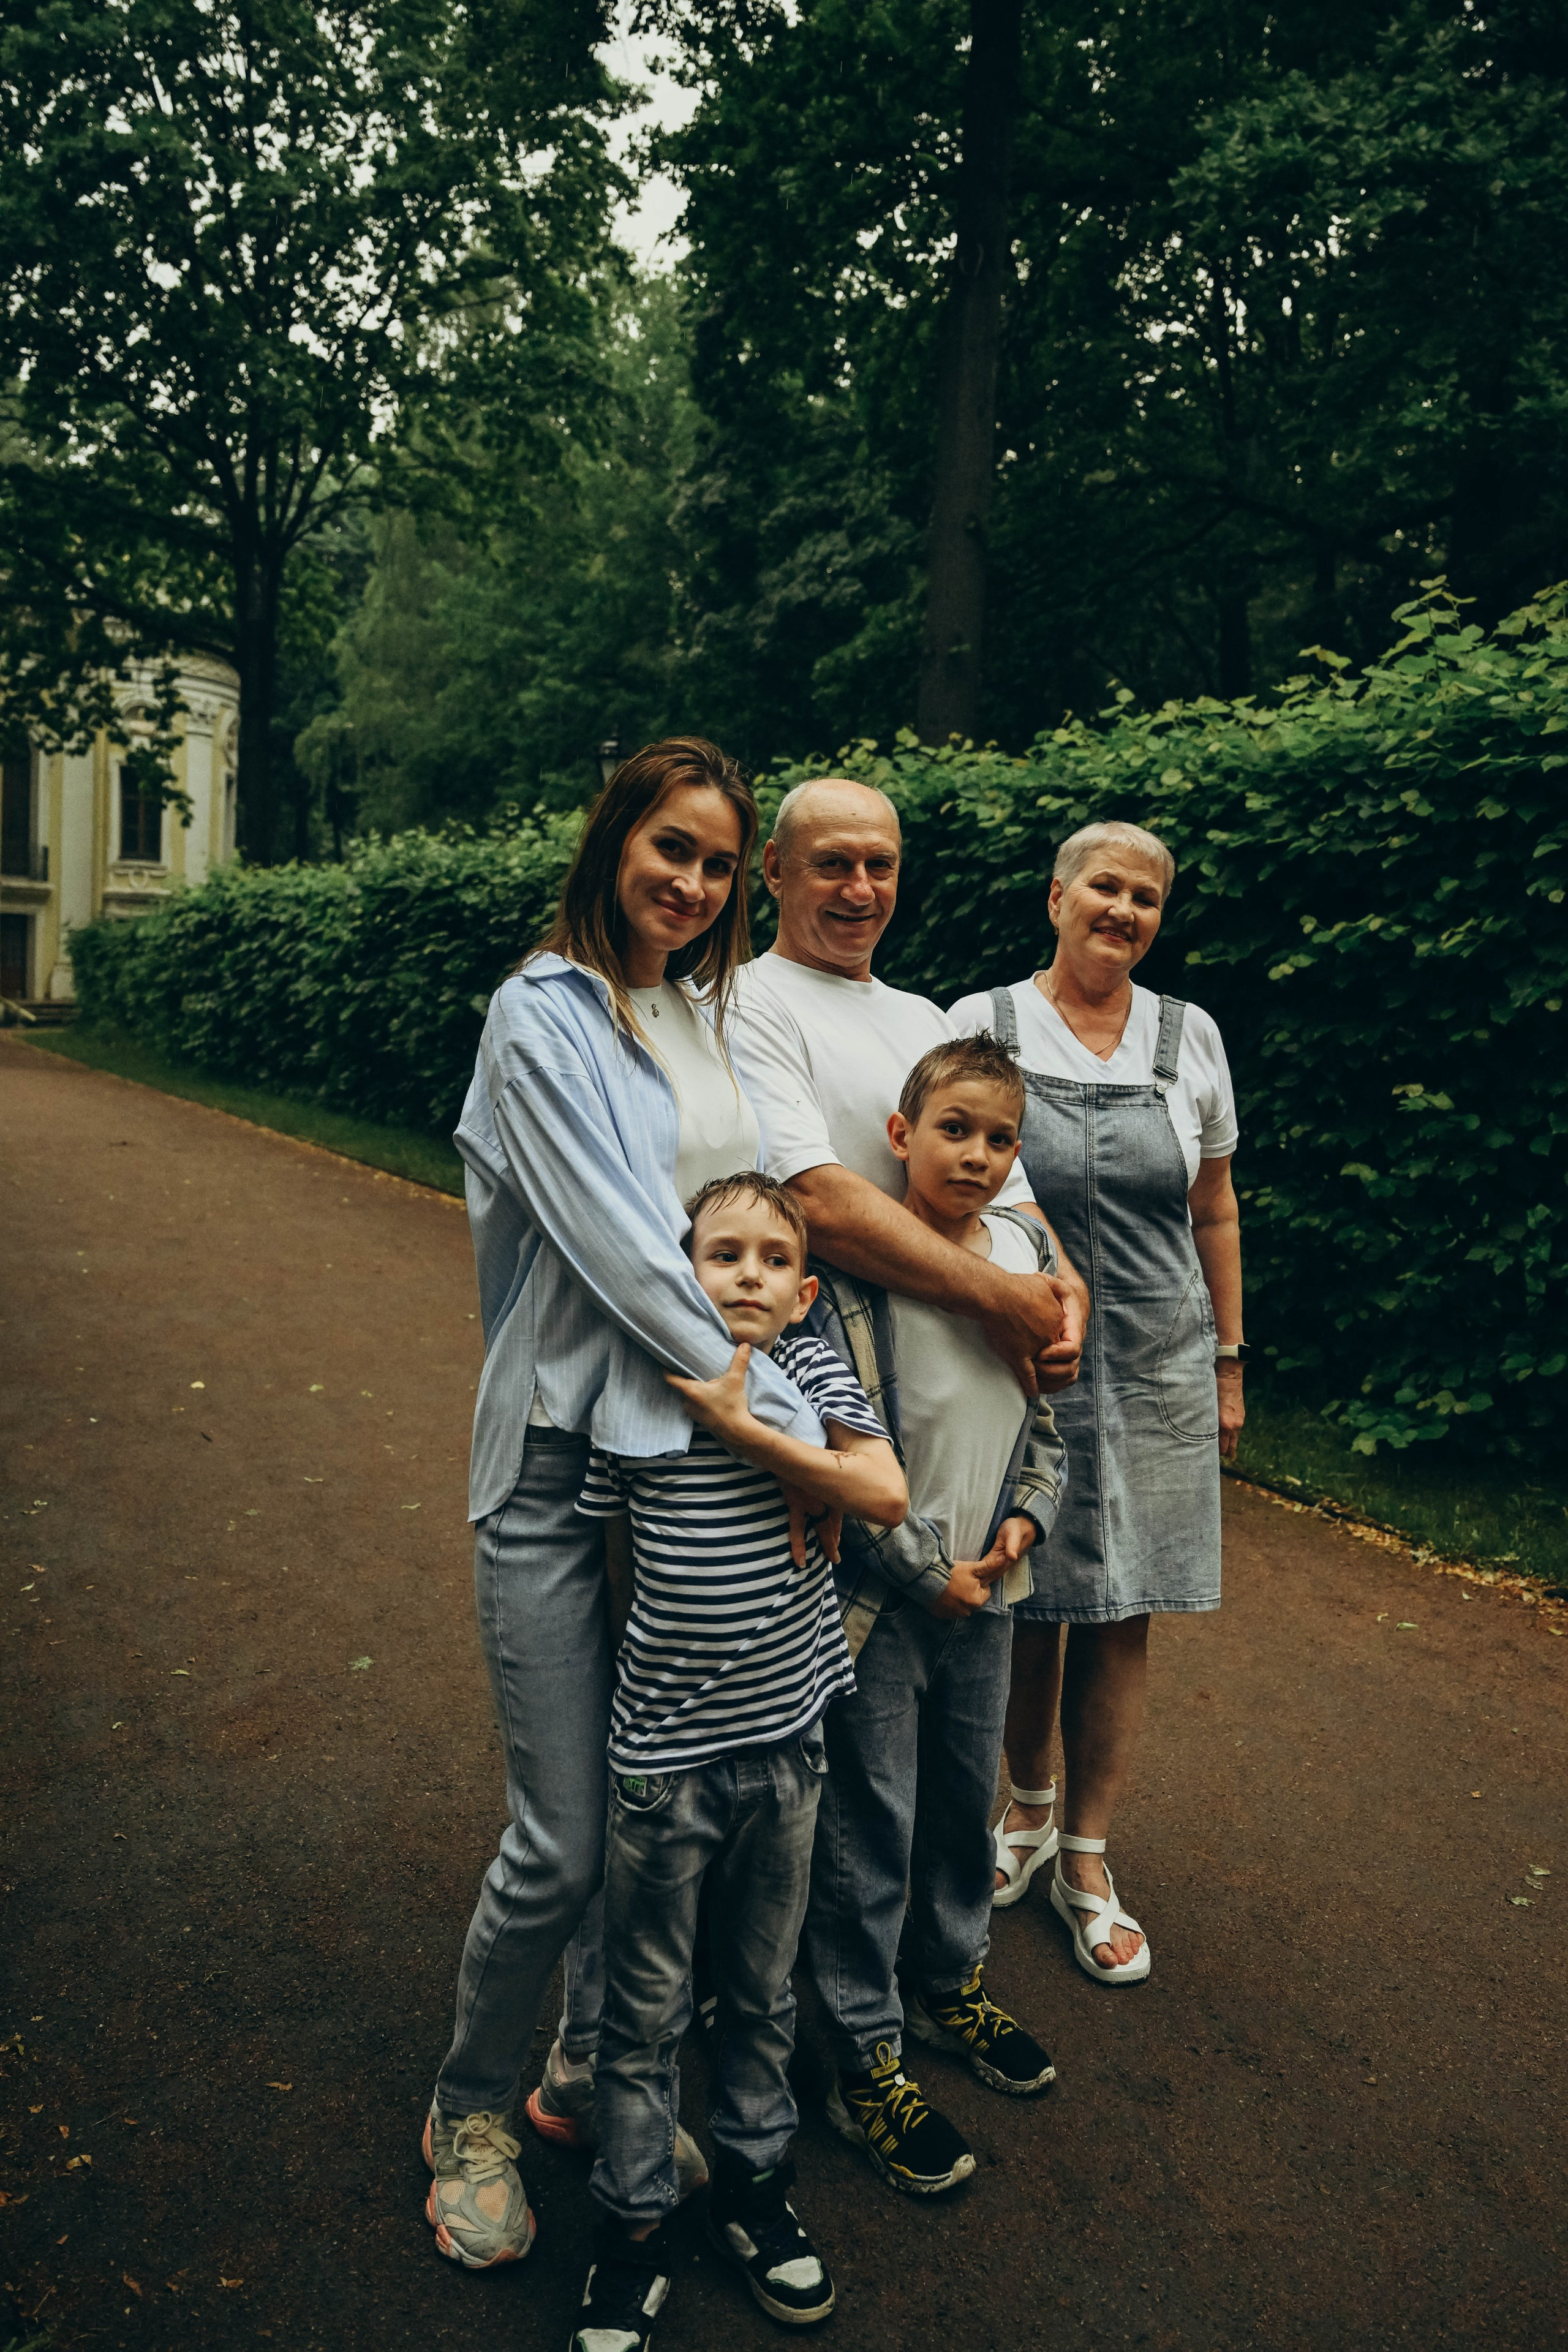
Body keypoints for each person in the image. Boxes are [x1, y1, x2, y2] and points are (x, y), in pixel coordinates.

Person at [424, 739, 828, 2272]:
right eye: (672, 847)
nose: (695, 882)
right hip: (553, 1461)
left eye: (719, 864)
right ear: (612, 841)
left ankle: (585, 2068)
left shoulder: (699, 1010)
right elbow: (622, 1251)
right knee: (566, 1842)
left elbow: (754, 1234)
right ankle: (466, 2104)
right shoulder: (538, 1014)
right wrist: (805, 1438)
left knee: (660, 1804)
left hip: (690, 1473)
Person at [567, 1171, 906, 2348]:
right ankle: (633, 2227)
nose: (749, 1275)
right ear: (682, 1268)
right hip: (664, 1765)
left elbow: (886, 1493)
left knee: (761, 1998)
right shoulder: (637, 1374)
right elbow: (611, 1552)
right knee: (646, 2011)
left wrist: (745, 1429)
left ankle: (760, 2196)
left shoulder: (811, 1373)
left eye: (773, 1258)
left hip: (786, 1752)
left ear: (805, 1290)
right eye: (724, 1254)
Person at [949, 819, 1245, 1986]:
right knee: (1028, 1591)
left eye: (1146, 898)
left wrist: (1228, 1360)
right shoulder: (985, 1022)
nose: (1123, 912)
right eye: (1104, 889)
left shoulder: (1193, 1036)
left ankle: (1085, 1855)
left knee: (1126, 1604)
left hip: (1165, 1358)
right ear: (1057, 896)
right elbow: (946, 1184)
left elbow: (1214, 1209)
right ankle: (1018, 1814)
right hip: (1033, 1355)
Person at [805, 1035, 1068, 2197]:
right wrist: (921, 1569)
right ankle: (862, 2055)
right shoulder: (867, 1276)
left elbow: (1043, 1426)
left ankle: (951, 1977)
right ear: (902, 1136)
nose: (975, 1154)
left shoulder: (1019, 1260)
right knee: (872, 1828)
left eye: (998, 1138)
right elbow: (832, 1446)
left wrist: (1026, 1525)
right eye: (952, 1129)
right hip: (883, 1603)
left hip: (991, 1594)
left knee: (964, 1806)